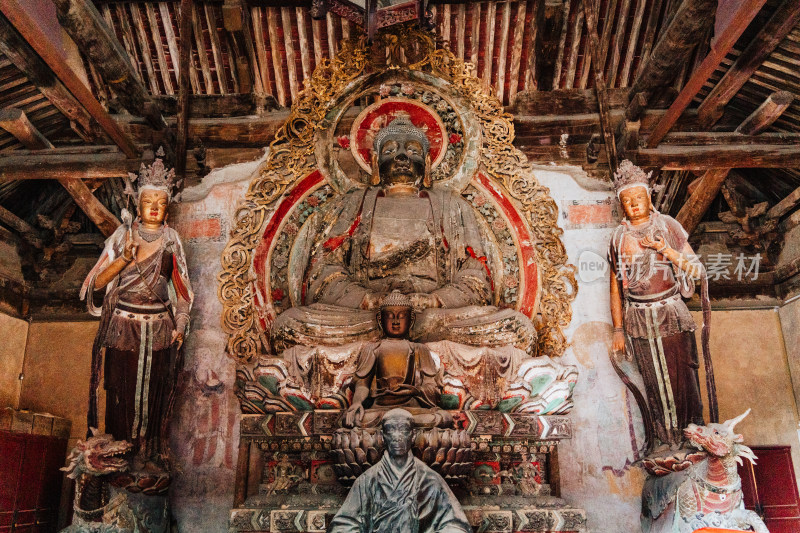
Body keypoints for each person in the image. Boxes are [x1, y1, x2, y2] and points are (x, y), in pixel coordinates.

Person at [271, 116, 536, 354]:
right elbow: (323, 274)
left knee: (517, 328)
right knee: (288, 326)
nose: (401, 157)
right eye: (390, 150)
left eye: (412, 150)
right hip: (368, 317)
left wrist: (434, 300)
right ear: (375, 162)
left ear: (428, 162)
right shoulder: (353, 204)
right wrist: (368, 300)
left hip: (432, 317)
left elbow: (476, 279)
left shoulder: (452, 206)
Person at [80, 153, 193, 466]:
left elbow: (182, 291)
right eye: (148, 201)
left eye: (160, 201)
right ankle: (120, 451)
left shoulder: (171, 240)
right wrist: (124, 259)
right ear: (137, 204)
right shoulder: (123, 236)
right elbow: (99, 283)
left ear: (167, 205)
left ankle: (149, 452)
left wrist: (181, 325)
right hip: (123, 326)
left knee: (156, 392)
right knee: (121, 389)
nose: (154, 207)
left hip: (159, 329)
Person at [608, 160, 706, 447]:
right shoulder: (618, 237)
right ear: (621, 205)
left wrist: (664, 249)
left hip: (670, 311)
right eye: (627, 200)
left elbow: (697, 270)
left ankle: (690, 437)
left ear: (648, 198)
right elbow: (615, 286)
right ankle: (664, 440)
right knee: (652, 380)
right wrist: (617, 329)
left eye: (638, 197)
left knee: (681, 376)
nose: (634, 204)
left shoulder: (667, 225)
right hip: (638, 317)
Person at [329, 408, 472, 533]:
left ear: (413, 435)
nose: (397, 437)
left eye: (403, 430)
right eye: (391, 430)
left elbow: (456, 525)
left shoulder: (429, 479)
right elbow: (343, 524)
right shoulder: (367, 480)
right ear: (383, 437)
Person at [343, 291, 447, 428]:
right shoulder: (373, 349)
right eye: (390, 317)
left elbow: (432, 388)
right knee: (352, 419)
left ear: (411, 320)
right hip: (380, 409)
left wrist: (414, 391)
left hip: (413, 408)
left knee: (444, 418)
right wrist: (356, 403)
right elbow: (362, 384)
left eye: (402, 316)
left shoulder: (419, 349)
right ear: (380, 320)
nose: (396, 321)